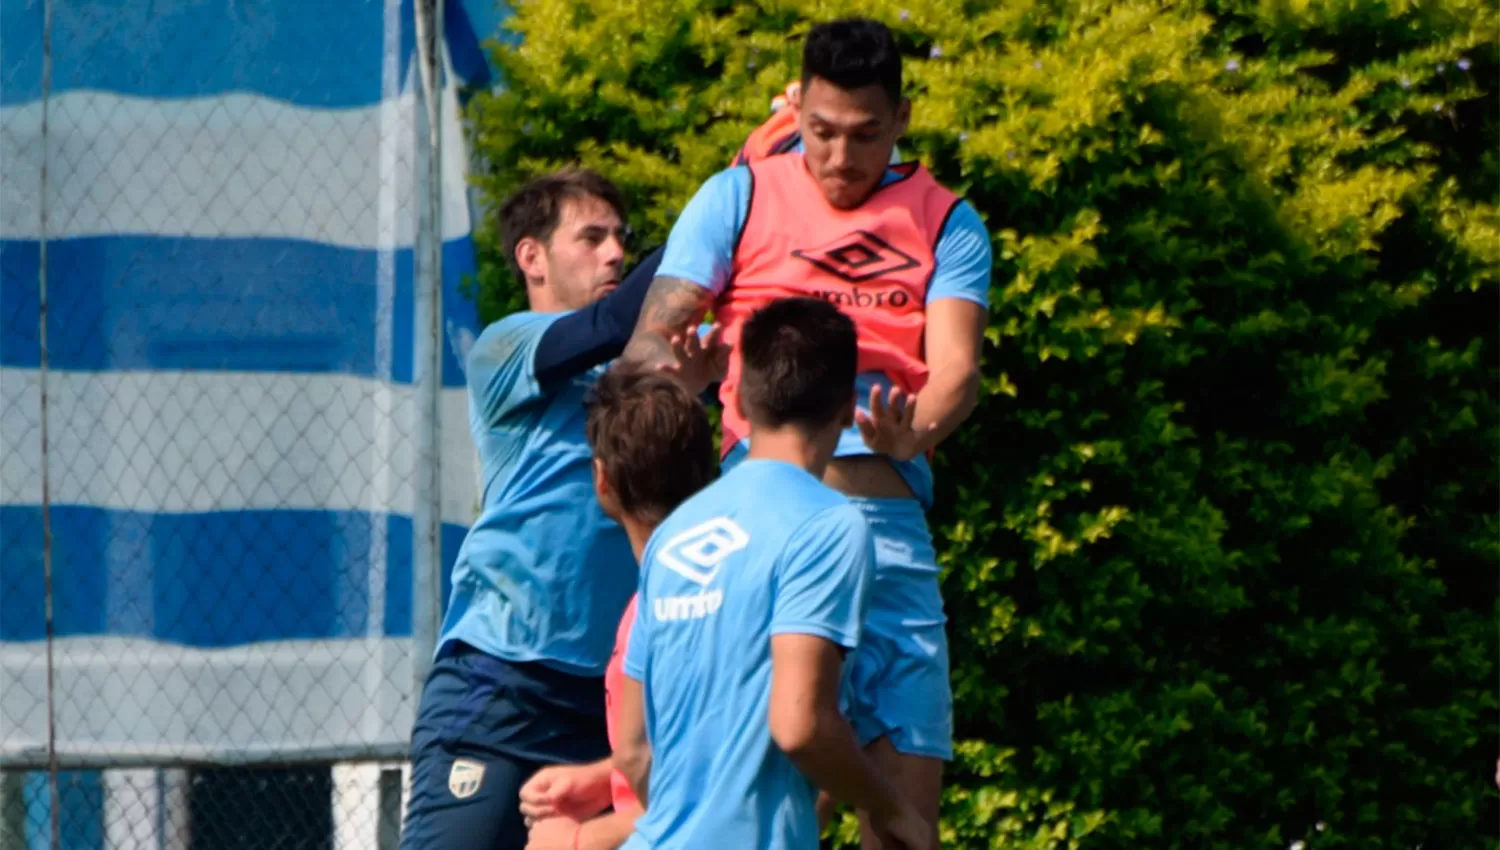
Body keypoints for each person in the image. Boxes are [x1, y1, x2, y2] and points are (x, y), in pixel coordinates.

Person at [619, 17, 992, 846]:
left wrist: (913, 433)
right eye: (819, 132)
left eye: (863, 136)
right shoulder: (740, 194)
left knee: (904, 830)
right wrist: (676, 370)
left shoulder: (947, 223)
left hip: (887, 535)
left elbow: (957, 372)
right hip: (760, 532)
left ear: (901, 119)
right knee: (759, 804)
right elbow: (652, 336)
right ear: (799, 113)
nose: (838, 158)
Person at [399, 168, 714, 850]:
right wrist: (736, 188)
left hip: (613, 697)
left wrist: (697, 390)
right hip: (500, 684)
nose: (614, 255)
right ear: (532, 257)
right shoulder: (507, 347)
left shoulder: (637, 383)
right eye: (591, 237)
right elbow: (609, 322)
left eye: (620, 240)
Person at [614, 297, 932, 850]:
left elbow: (633, 749)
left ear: (736, 398)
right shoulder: (829, 525)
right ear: (843, 412)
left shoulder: (673, 534)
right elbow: (800, 725)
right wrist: (892, 807)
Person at [515, 369, 724, 850]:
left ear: (601, 479)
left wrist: (578, 840)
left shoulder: (669, 607)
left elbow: (706, 792)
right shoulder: (696, 591)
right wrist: (599, 779)